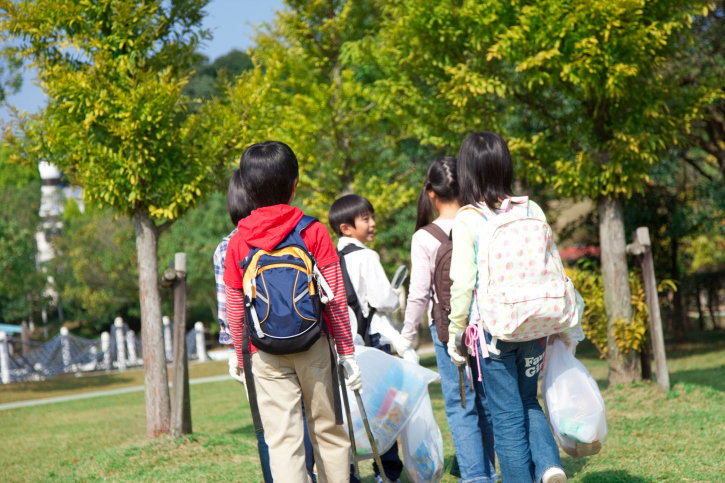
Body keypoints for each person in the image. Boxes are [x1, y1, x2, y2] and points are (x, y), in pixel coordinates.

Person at [224, 141, 359, 483]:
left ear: (248, 187)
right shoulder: (312, 231)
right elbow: (336, 297)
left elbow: (235, 306)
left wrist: (240, 357)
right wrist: (346, 351)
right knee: (327, 432)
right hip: (314, 344)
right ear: (294, 183)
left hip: (265, 352)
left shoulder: (239, 240)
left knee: (283, 442)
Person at [448, 131, 568, 483]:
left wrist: (456, 332)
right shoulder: (531, 209)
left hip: (494, 332)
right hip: (535, 326)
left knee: (506, 416)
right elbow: (553, 265)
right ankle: (549, 466)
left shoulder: (468, 219)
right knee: (529, 401)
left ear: (466, 171)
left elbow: (462, 284)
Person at [213, 170, 317, 483]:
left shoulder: (227, 246)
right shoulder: (297, 232)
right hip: (307, 337)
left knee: (270, 429)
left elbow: (228, 306)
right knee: (311, 418)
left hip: (257, 349)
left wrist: (234, 349)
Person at [400, 157, 498, 483]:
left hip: (446, 330)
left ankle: (477, 476)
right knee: (486, 400)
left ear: (431, 193)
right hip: (485, 325)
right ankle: (490, 468)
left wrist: (407, 335)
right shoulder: (482, 222)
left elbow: (418, 294)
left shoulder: (424, 237)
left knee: (460, 405)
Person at [328, 194, 409, 483]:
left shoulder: (328, 258)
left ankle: (348, 470)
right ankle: (386, 472)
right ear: (346, 228)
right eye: (366, 219)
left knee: (347, 411)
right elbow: (384, 301)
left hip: (343, 346)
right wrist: (394, 296)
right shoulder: (367, 257)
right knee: (384, 409)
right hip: (372, 342)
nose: (373, 224)